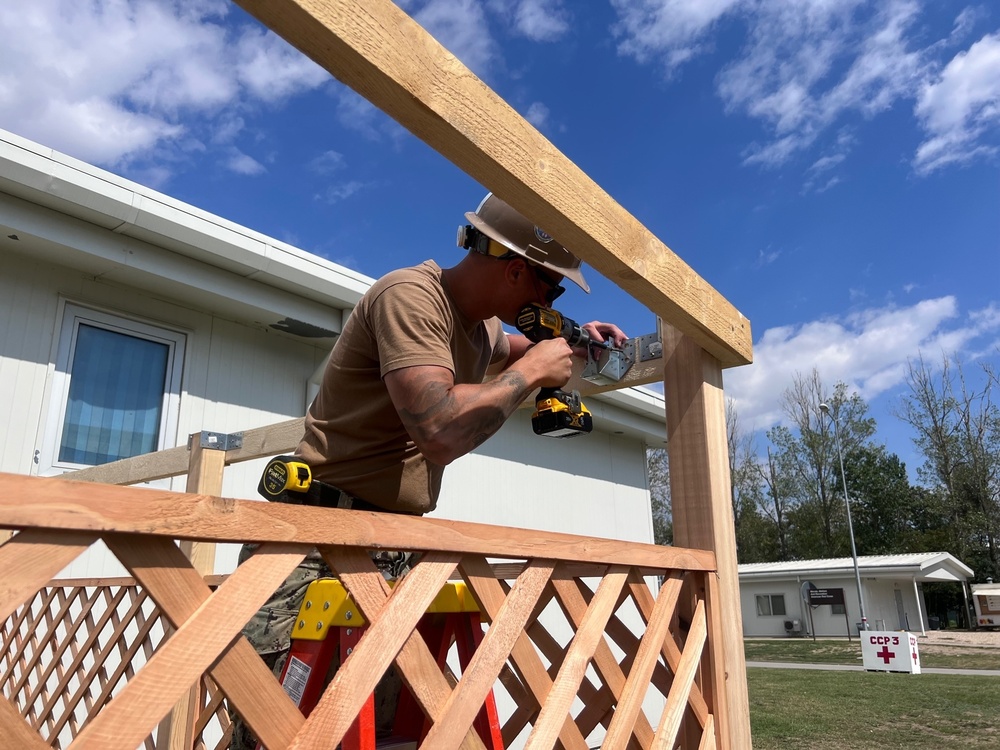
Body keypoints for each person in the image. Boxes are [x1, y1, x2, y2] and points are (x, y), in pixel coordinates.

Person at [231, 193, 626, 749]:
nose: (550, 300)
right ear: (516, 269)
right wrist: (534, 372)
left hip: (391, 546)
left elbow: (520, 347)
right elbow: (438, 430)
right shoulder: (410, 297)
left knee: (382, 731)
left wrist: (580, 339)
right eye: (551, 287)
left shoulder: (482, 330)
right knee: (280, 735)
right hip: (315, 544)